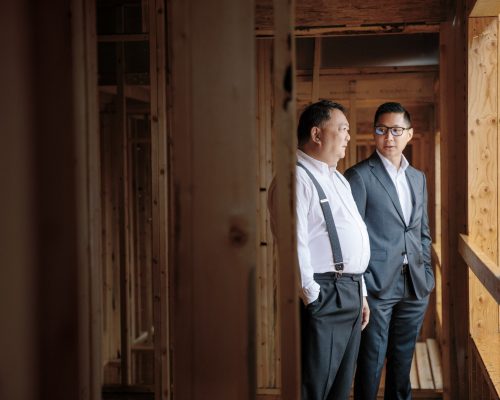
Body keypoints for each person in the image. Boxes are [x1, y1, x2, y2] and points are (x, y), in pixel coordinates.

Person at [269, 100, 370, 400]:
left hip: (349, 293)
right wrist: (313, 297)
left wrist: (360, 292)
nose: (348, 136)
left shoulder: (338, 178)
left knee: (339, 390)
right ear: (316, 134)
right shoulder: (294, 179)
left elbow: (352, 239)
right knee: (313, 389)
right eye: (343, 129)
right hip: (324, 295)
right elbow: (293, 243)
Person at [344, 102, 435, 400]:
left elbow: (421, 231)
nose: (389, 137)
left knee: (402, 360)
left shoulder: (418, 178)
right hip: (377, 285)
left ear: (409, 133)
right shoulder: (359, 176)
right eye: (381, 130)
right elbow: (352, 238)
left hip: (415, 284)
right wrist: (363, 288)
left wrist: (427, 274)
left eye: (396, 130)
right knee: (370, 362)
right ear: (375, 134)